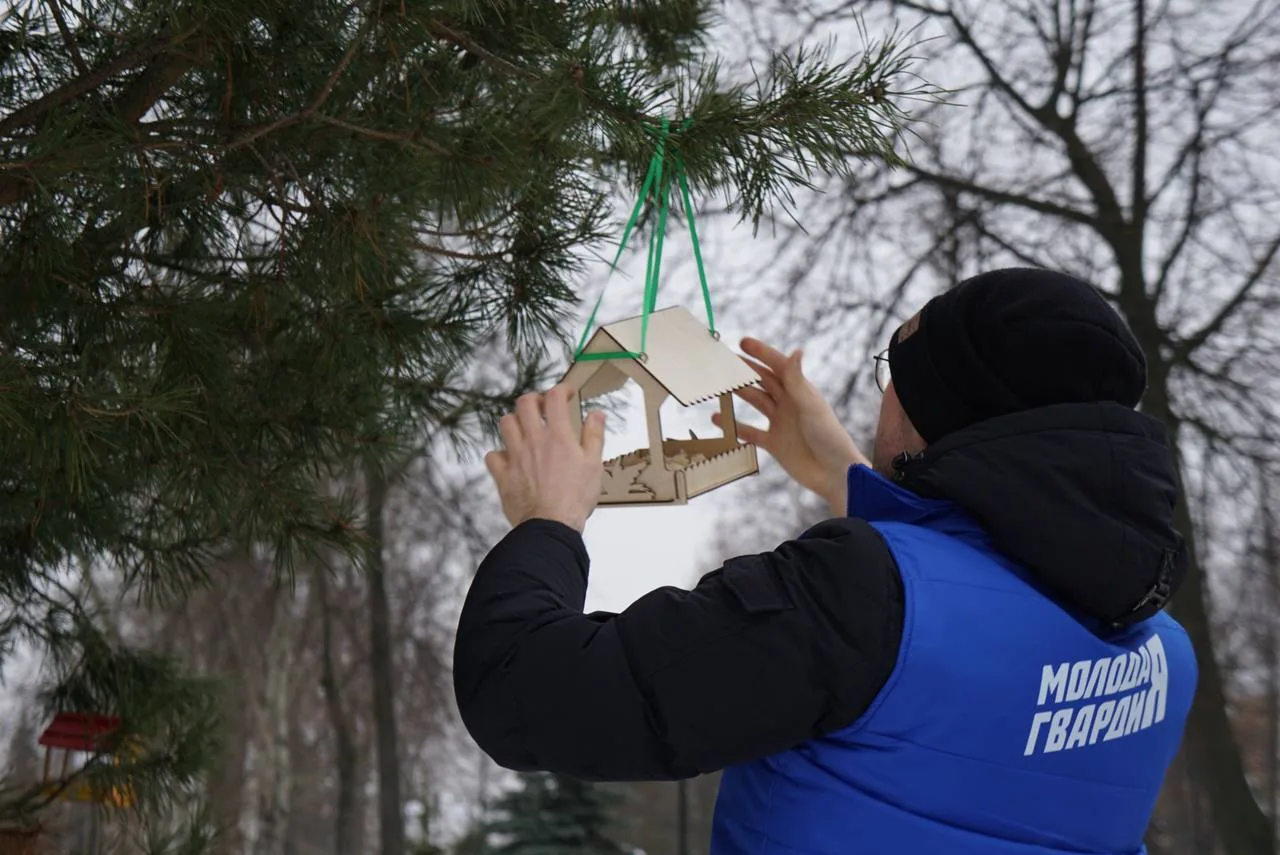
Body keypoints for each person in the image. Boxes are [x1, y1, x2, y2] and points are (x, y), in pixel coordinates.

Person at [453, 268, 1197, 854]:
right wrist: (853, 480)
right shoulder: (1161, 652)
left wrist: (547, 521)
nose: (882, 399)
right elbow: (958, 633)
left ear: (935, 414)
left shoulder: (852, 593)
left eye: (893, 376)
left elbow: (525, 692)